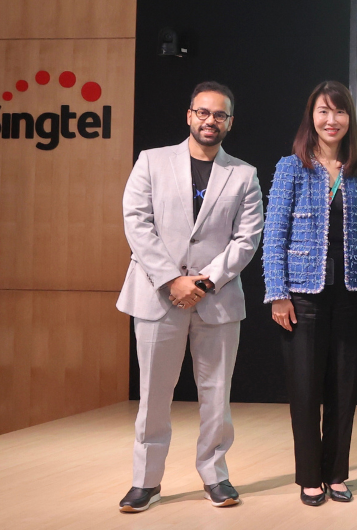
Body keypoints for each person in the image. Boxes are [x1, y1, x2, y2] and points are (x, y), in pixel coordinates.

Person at [117, 81, 263, 513]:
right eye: (203, 112)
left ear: (230, 122)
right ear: (189, 115)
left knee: (216, 395)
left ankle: (215, 475)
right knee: (153, 394)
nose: (210, 120)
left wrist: (204, 282)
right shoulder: (152, 161)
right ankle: (146, 482)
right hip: (157, 296)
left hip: (216, 299)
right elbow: (136, 222)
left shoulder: (244, 174)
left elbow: (247, 238)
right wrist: (171, 280)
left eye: (219, 114)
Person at [262, 80, 357, 506]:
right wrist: (278, 293)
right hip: (301, 297)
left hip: (350, 294)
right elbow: (274, 235)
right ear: (312, 117)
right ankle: (310, 477)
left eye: (340, 112)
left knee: (344, 390)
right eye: (324, 111)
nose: (332, 120)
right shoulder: (291, 167)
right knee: (306, 391)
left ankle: (337, 473)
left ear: (349, 119)